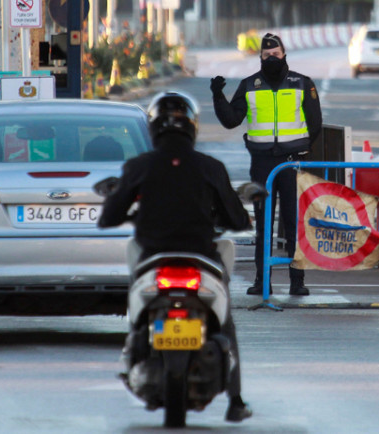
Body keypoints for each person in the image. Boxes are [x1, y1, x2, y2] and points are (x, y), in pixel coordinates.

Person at [98, 92, 253, 423]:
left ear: (154, 128)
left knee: (135, 311)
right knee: (225, 319)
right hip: (202, 258)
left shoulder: (138, 167)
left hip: (153, 258)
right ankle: (235, 400)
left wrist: (129, 206)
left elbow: (108, 217)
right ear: (192, 127)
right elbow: (238, 220)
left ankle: (133, 355)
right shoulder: (211, 167)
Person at [210, 33, 322, 296]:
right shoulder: (249, 85)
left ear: (284, 55)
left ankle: (298, 280)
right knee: (263, 222)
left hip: (291, 162)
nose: (272, 58)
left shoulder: (302, 83)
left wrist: (302, 149)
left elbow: (315, 122)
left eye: (276, 54)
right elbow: (231, 121)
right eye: (266, 55)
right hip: (261, 163)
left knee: (293, 221)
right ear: (260, 57)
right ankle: (262, 280)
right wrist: (218, 96)